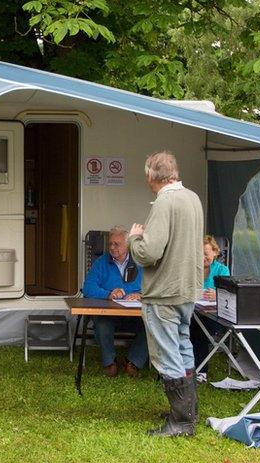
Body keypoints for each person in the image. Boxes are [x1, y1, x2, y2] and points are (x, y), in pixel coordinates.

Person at [129, 151, 204, 437]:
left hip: (164, 292)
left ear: (151, 175)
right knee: (184, 347)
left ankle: (181, 422)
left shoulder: (165, 201)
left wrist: (135, 237)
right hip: (188, 289)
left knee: (167, 353)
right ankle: (188, 411)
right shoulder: (192, 198)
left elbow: (149, 253)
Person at [82, 226, 149, 377]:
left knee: (152, 324)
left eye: (116, 244)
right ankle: (110, 362)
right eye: (110, 243)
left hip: (135, 315)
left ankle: (133, 361)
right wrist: (108, 294)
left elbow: (154, 286)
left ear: (128, 245)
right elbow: (87, 287)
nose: (112, 247)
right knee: (102, 323)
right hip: (109, 314)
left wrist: (140, 295)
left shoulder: (140, 262)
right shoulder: (101, 262)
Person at [191, 236, 230, 364]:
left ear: (215, 252)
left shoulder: (222, 270)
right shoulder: (190, 270)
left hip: (214, 316)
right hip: (191, 312)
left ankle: (200, 371)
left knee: (197, 328)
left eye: (206, 254)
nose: (202, 257)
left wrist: (218, 295)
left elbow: (230, 297)